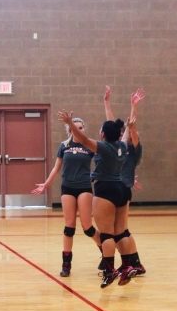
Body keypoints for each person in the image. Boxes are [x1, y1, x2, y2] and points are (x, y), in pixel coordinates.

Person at [57, 109, 137, 288]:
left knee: (107, 234)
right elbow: (124, 138)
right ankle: (127, 265)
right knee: (121, 232)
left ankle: (110, 271)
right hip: (122, 188)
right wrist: (129, 128)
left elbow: (84, 140)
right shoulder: (122, 146)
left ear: (102, 134)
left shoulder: (103, 147)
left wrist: (70, 124)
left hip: (106, 188)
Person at [31, 118, 101, 277]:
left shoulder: (90, 145)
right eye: (75, 128)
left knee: (87, 227)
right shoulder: (64, 146)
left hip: (84, 186)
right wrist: (45, 185)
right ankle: (66, 263)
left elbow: (101, 164)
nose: (79, 130)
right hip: (67, 187)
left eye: (81, 127)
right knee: (69, 227)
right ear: (70, 131)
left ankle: (104, 248)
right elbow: (57, 167)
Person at [104, 85, 146, 275]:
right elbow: (112, 126)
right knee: (120, 231)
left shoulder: (134, 151)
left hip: (122, 189)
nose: (124, 134)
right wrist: (106, 103)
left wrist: (134, 108)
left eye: (127, 134)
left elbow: (132, 128)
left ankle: (132, 262)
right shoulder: (118, 147)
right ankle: (132, 262)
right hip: (116, 187)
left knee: (121, 231)